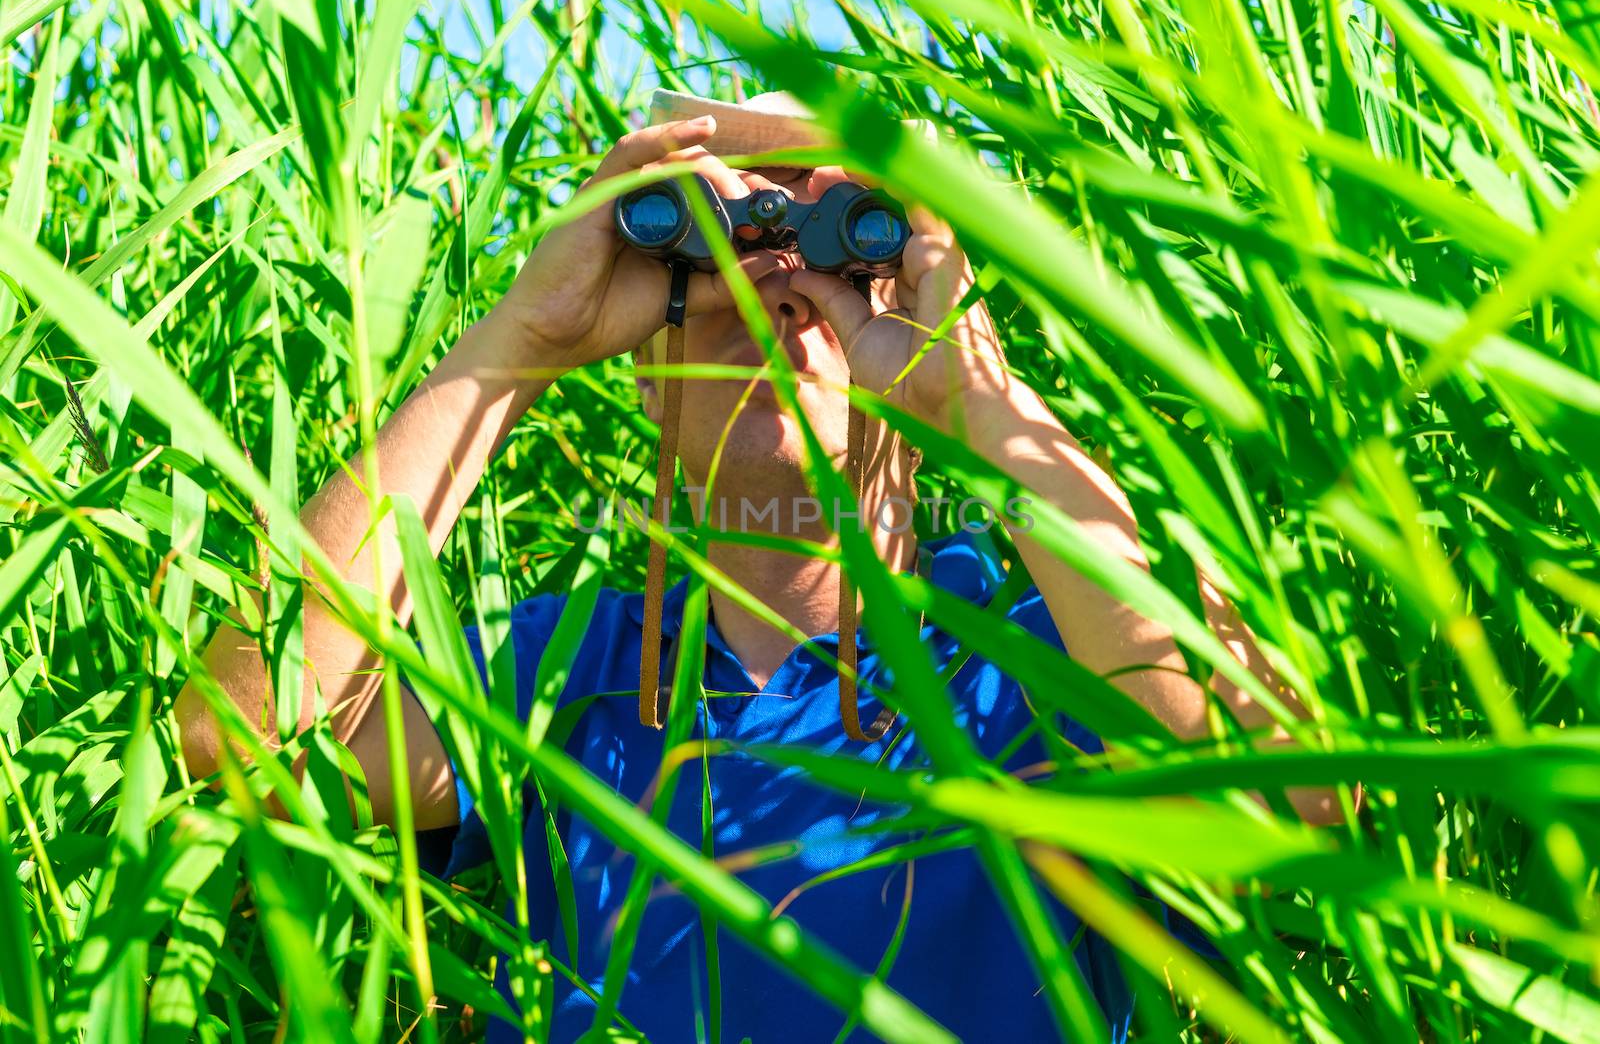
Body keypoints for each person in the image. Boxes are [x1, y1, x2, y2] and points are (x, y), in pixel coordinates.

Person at [177, 91, 1342, 1042]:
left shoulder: (1040, 650)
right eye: (723, 247)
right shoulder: (567, 663)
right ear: (643, 369)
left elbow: (1292, 806)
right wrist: (522, 339)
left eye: (829, 241)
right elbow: (237, 742)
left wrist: (975, 392)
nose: (776, 278)